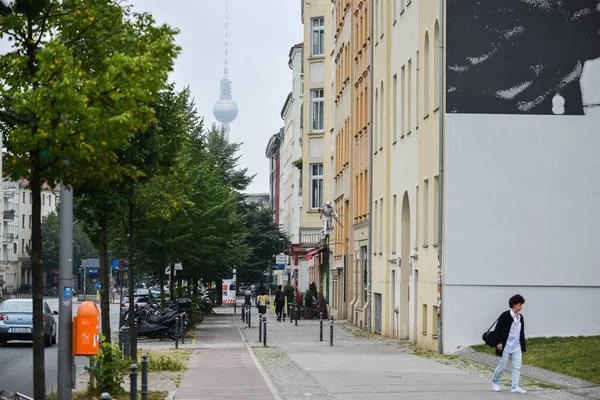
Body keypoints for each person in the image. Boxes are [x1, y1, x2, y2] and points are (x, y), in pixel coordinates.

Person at [491, 294, 527, 394]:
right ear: (514, 304)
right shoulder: (505, 315)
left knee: (517, 366)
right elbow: (497, 330)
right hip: (505, 345)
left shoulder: (520, 317)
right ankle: (495, 381)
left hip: (517, 346)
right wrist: (498, 342)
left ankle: (515, 386)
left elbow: (521, 333)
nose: (521, 306)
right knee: (502, 365)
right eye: (520, 304)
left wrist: (523, 348)